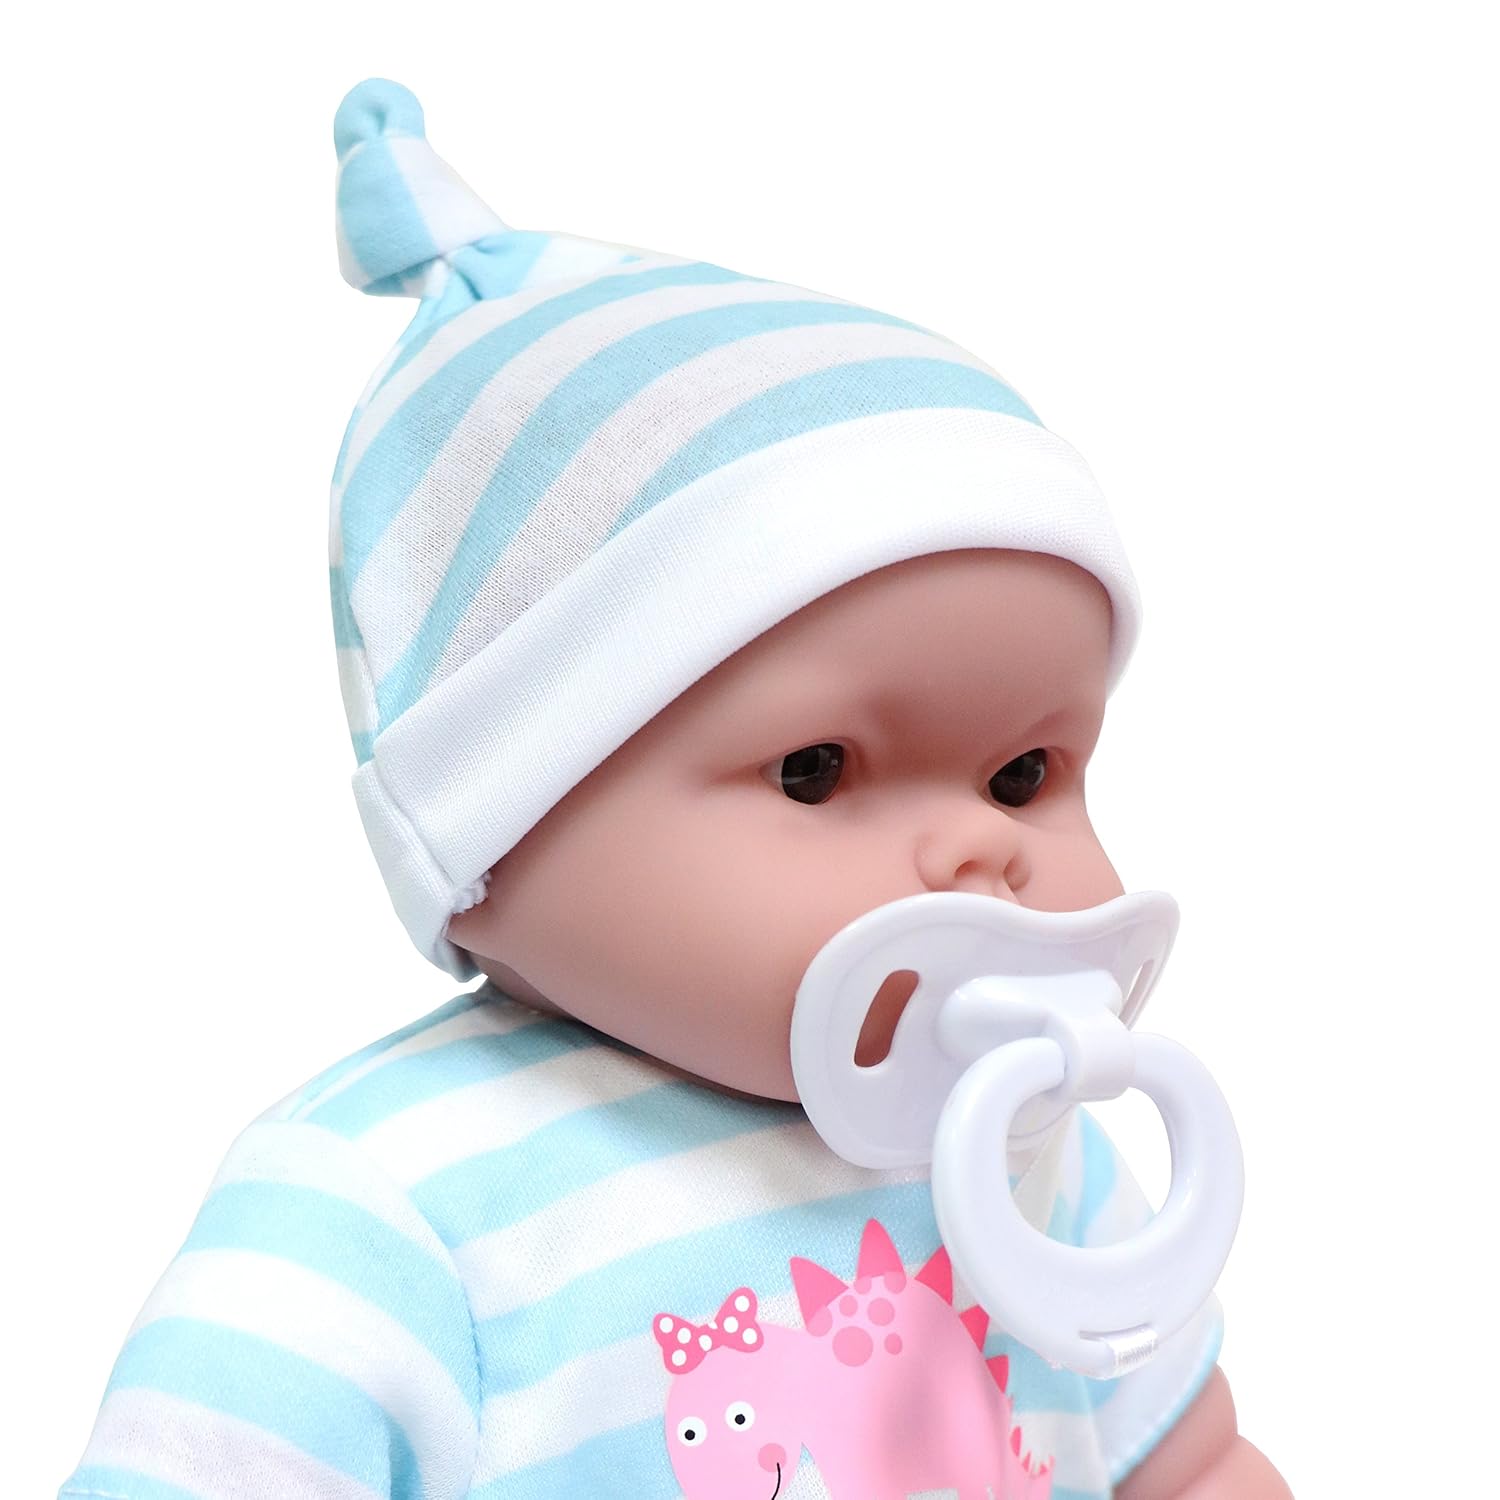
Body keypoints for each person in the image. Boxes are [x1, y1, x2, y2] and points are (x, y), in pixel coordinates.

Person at [59, 78, 1288, 1499]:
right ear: (493, 826)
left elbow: (1187, 1462)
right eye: (817, 771)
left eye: (1023, 774)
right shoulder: (385, 1209)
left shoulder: (1030, 1139)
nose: (977, 851)